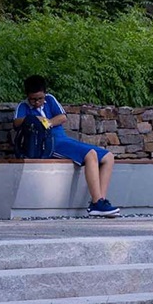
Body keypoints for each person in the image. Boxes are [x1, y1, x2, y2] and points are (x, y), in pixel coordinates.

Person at [16, 75, 119, 218]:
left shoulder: (50, 100)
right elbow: (16, 122)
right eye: (33, 99)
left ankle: (100, 200)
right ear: (27, 96)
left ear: (44, 93)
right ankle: (96, 202)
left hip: (63, 139)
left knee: (108, 157)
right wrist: (32, 119)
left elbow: (62, 117)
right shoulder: (23, 106)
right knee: (90, 154)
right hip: (49, 144)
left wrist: (49, 122)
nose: (37, 102)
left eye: (40, 98)